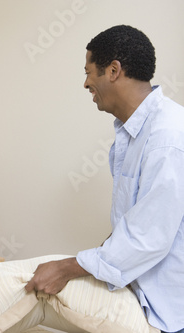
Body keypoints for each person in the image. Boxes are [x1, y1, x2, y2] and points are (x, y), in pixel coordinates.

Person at [24, 25, 184, 333]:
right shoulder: (129, 134)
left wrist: (66, 268)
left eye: (89, 72)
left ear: (113, 70)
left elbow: (147, 238)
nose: (85, 83)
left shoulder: (168, 137)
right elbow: (131, 224)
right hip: (140, 292)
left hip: (171, 308)